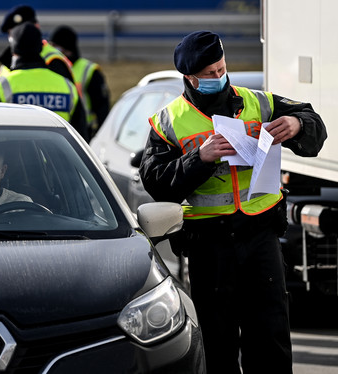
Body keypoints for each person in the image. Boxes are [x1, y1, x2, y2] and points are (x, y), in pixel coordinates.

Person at [139, 30, 327, 374]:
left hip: (261, 237)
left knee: (270, 335)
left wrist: (298, 124)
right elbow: (156, 183)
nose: (219, 77)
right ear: (190, 78)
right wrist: (200, 157)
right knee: (217, 340)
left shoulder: (259, 102)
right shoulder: (169, 121)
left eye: (222, 69)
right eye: (210, 74)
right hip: (210, 245)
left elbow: (315, 127)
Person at [0, 22, 88, 141]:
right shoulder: (67, 86)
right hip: (57, 158)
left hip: (14, 158)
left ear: (13, 50)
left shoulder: (1, 86)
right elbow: (82, 138)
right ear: (41, 48)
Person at [49, 25, 111, 139]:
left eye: (55, 46)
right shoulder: (52, 67)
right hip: (56, 127)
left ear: (67, 49)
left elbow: (102, 108)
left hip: (83, 131)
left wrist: (99, 136)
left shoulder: (89, 70)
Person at [0, 5, 75, 84]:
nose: (20, 34)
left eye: (25, 29)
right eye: (13, 32)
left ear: (36, 27)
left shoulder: (53, 61)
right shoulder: (6, 64)